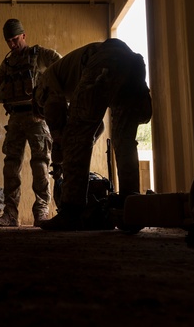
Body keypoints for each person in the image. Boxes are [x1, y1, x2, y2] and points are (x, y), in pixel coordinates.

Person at [31, 38, 153, 231]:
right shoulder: (70, 80)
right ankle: (130, 206)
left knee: (76, 134)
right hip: (132, 64)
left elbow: (55, 111)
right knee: (124, 140)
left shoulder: (44, 82)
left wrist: (61, 142)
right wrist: (74, 148)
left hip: (105, 60)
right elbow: (98, 127)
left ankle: (71, 211)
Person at [0, 18, 62, 227]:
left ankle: (41, 212)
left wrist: (49, 95)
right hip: (15, 119)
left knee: (40, 166)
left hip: (37, 118)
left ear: (24, 35)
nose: (13, 44)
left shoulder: (41, 55)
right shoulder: (7, 64)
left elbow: (62, 69)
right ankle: (10, 214)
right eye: (9, 41)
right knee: (11, 167)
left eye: (15, 39)